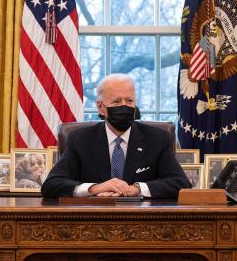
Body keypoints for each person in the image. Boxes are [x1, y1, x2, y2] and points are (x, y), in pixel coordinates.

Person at [41, 74, 190, 199]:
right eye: (117, 101)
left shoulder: (156, 138)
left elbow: (180, 183)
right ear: (101, 107)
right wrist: (95, 188)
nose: (124, 106)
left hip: (142, 219)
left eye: (129, 101)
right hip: (93, 219)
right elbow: (51, 185)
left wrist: (137, 189)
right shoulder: (80, 139)